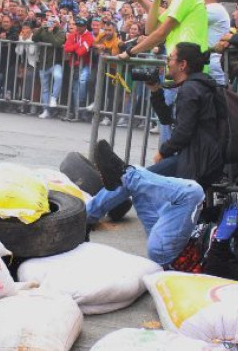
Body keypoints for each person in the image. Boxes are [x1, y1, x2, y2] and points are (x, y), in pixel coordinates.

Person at [87, 42, 225, 231]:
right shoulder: (200, 86)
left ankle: (86, 214)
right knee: (133, 177)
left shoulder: (191, 90)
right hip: (199, 157)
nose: (167, 62)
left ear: (182, 65)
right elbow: (169, 119)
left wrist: (163, 151)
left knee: (131, 179)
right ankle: (90, 211)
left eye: (171, 58)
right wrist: (155, 91)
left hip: (197, 161)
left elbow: (183, 132)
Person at [197, 0, 230, 86]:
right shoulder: (213, 9)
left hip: (212, 68)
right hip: (208, 65)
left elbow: (180, 19)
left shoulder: (214, 9)